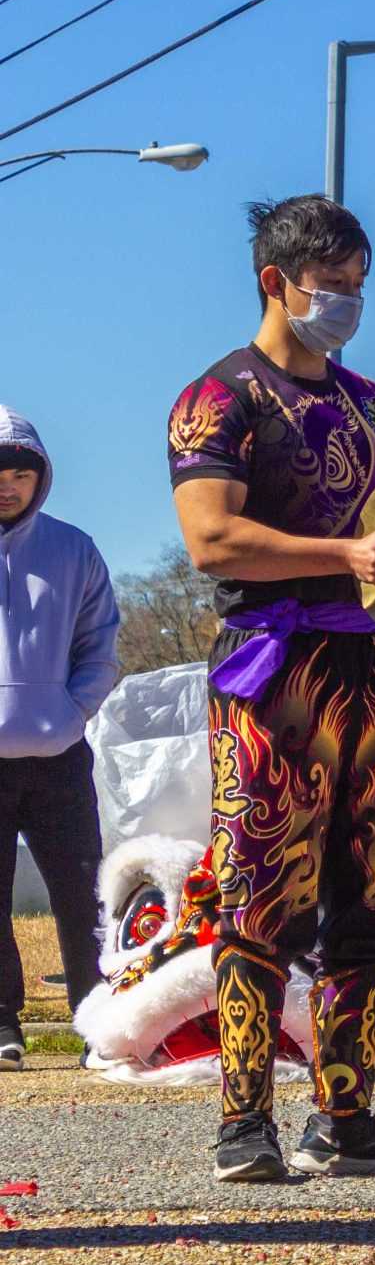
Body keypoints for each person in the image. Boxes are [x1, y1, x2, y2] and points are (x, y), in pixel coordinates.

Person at [167, 196, 375, 1183]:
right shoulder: (219, 398)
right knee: (260, 895)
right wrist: (342, 549)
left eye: (359, 288)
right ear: (275, 284)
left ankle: (348, 1116)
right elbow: (210, 540)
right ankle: (244, 1122)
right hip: (272, 670)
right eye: (331, 287)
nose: (346, 303)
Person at [0, 406, 117, 1074]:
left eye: (22, 473)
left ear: (40, 479)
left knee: (83, 894)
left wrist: (73, 712)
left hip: (58, 754)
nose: (9, 485)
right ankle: (2, 1025)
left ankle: (98, 1022)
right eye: (0, 474)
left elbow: (100, 643)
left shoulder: (73, 549)